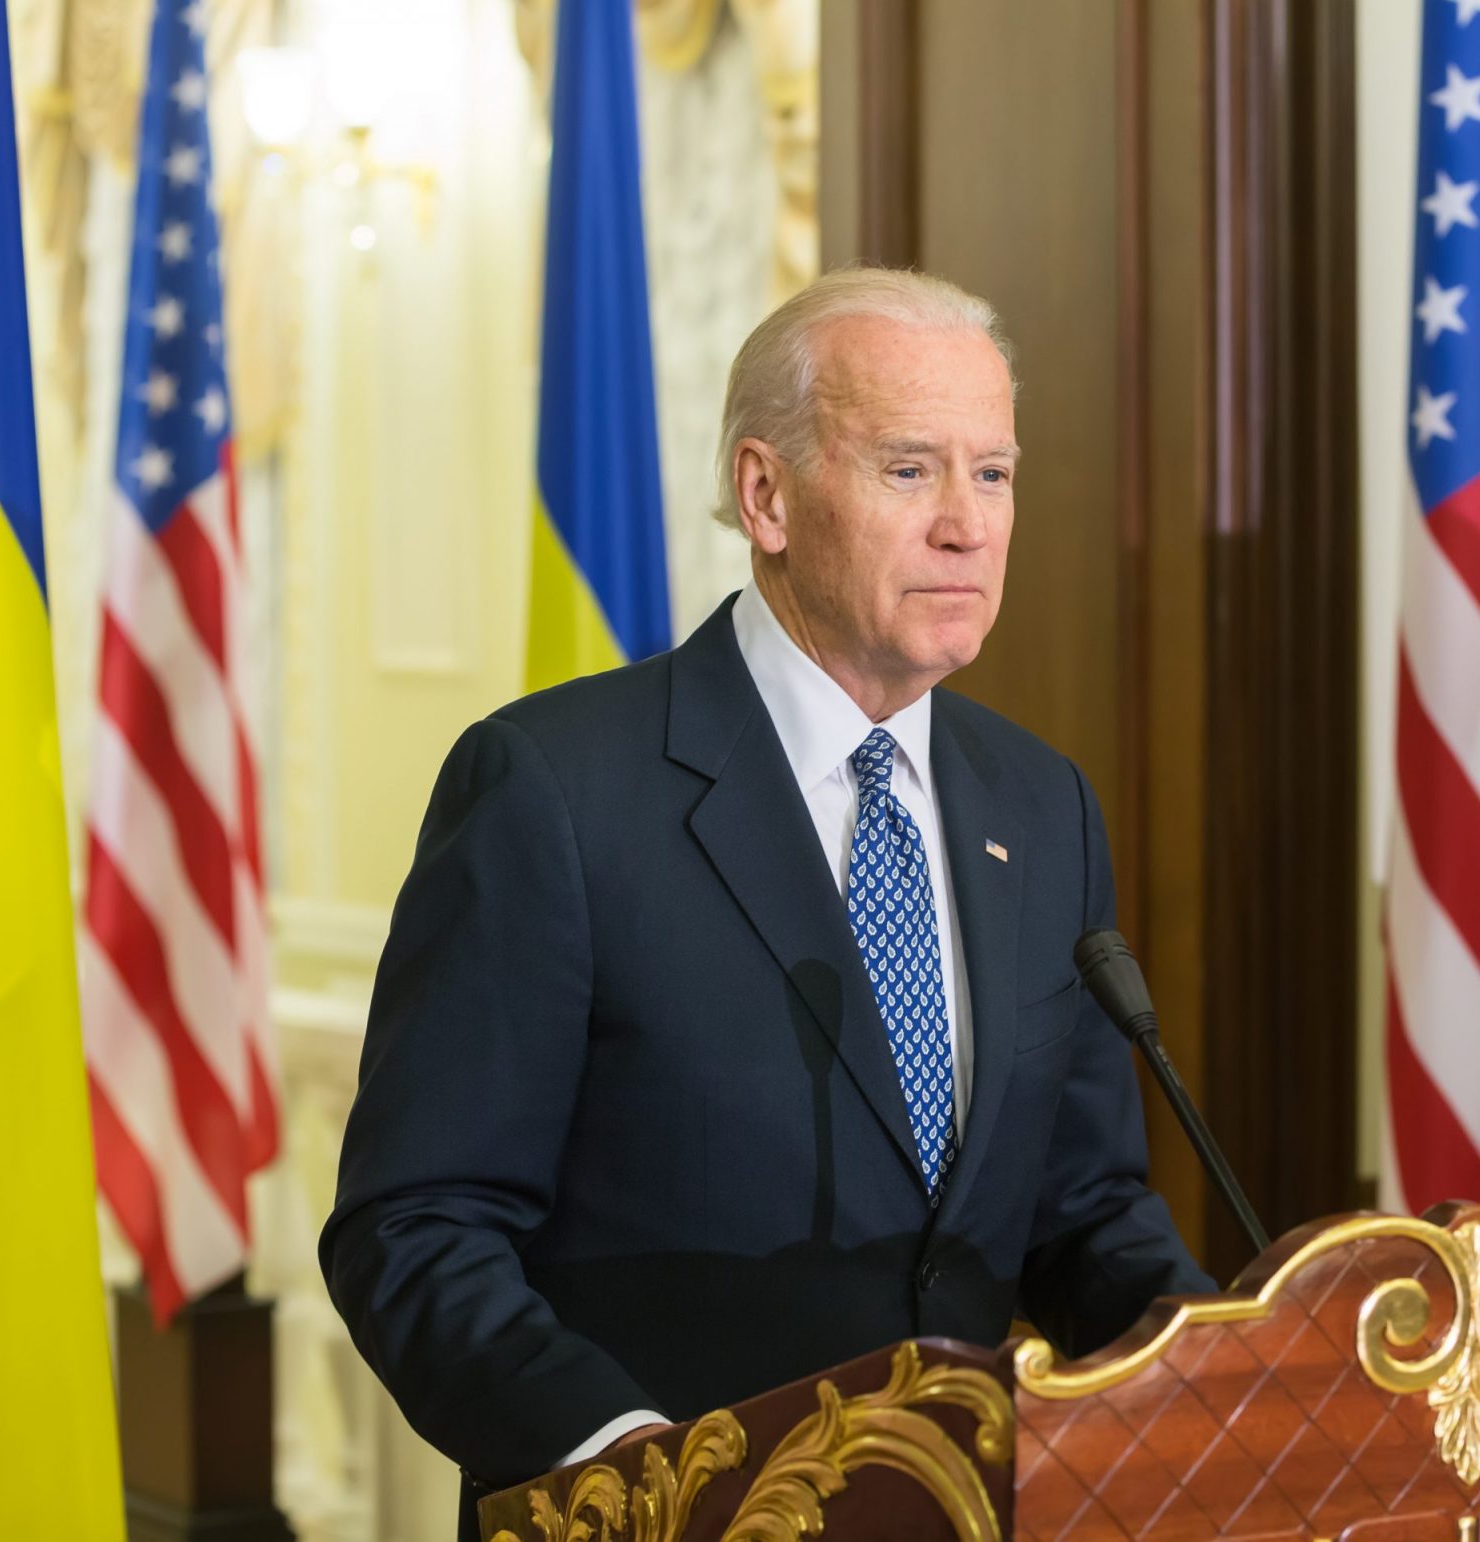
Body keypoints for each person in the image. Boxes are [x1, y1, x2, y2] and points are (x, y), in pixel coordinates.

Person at [319, 267, 1215, 1538]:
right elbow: (414, 1229)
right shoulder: (553, 791)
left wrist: (1236, 1383)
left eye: (994, 473)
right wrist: (636, 1472)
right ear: (766, 494)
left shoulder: (1038, 802)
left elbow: (1080, 1214)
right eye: (910, 470)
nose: (967, 523)